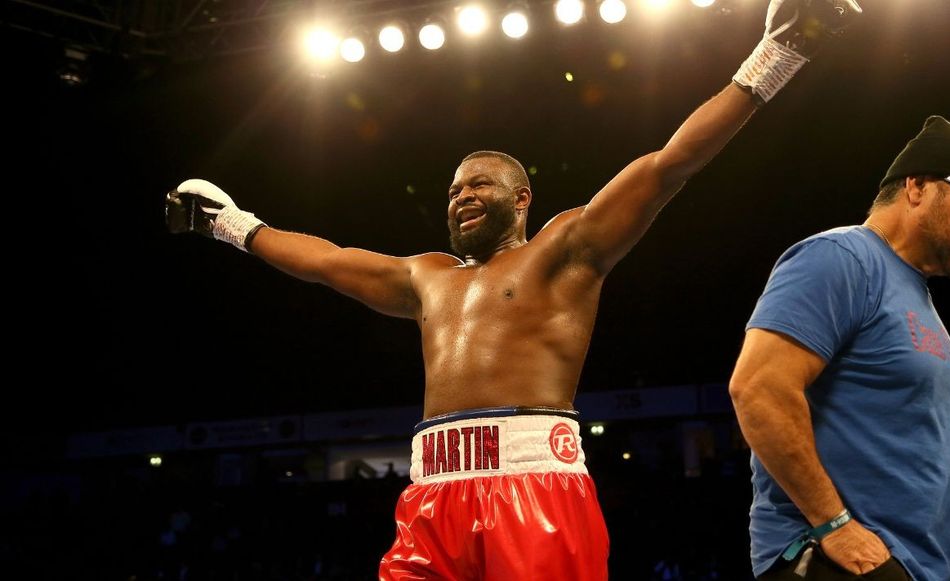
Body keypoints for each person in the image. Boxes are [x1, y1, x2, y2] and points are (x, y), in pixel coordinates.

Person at [167, 1, 861, 578]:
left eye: (479, 184)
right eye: (453, 190)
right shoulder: (425, 277)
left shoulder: (565, 250)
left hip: (535, 489)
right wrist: (232, 225)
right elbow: (326, 260)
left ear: (521, 197)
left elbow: (667, 166)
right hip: (431, 494)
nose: (461, 196)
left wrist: (775, 57)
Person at [729, 115, 950, 580]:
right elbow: (759, 388)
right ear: (917, 186)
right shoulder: (841, 257)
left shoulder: (918, 297)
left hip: (924, 567)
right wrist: (834, 524)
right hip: (844, 561)